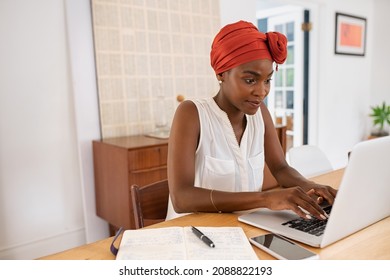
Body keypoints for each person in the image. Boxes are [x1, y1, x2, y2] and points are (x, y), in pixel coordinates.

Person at [166, 20, 337, 221]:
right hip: (196, 233)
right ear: (221, 73)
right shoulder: (192, 113)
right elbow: (181, 198)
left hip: (246, 226)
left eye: (267, 80)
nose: (262, 91)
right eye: (250, 80)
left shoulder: (260, 114)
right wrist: (265, 199)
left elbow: (280, 168)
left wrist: (311, 186)